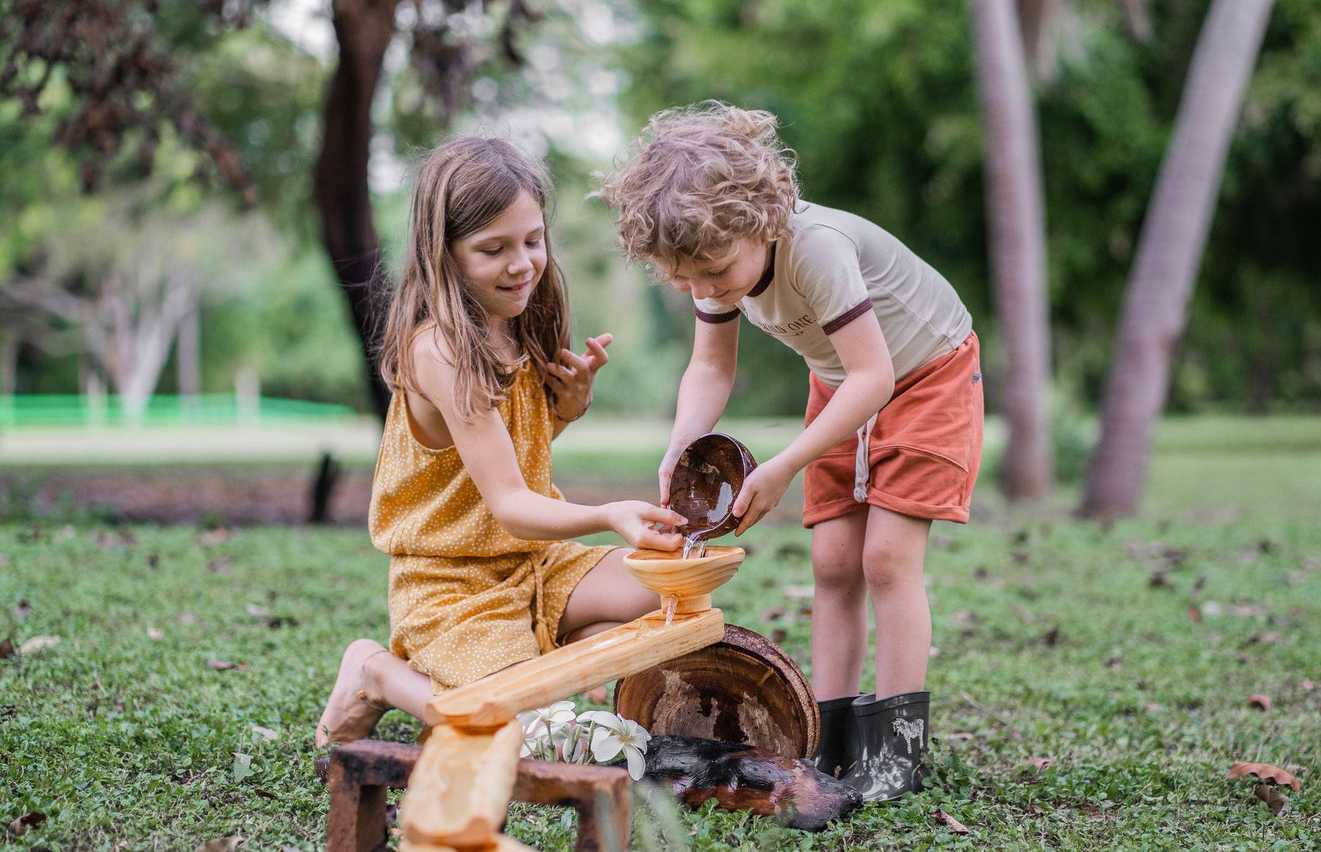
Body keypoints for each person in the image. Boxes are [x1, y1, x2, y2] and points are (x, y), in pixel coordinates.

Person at [600, 102, 984, 801]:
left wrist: (784, 465)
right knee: (832, 561)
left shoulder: (815, 248)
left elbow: (878, 376)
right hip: (844, 382)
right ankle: (831, 736)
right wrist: (682, 440)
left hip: (925, 372)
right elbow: (711, 368)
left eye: (715, 271)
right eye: (688, 280)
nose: (707, 290)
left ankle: (897, 750)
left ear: (761, 221)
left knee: (887, 558)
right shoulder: (711, 261)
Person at [316, 137, 684, 750]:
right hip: (453, 587)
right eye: (494, 249)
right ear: (446, 254)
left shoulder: (516, 323)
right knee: (527, 737)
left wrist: (567, 408)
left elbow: (501, 460)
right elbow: (510, 501)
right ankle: (378, 673)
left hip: (532, 565)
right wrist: (608, 513)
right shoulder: (439, 350)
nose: (522, 265)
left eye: (532, 240)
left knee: (671, 580)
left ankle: (545, 662)